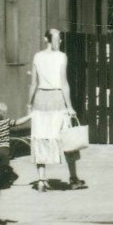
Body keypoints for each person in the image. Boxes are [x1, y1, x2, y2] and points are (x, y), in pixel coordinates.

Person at [27, 28, 85, 192]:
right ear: (48, 39)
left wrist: (29, 103)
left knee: (41, 137)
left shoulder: (37, 56)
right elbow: (63, 83)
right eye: (57, 38)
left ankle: (41, 179)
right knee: (67, 139)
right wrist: (70, 106)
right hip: (57, 99)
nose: (59, 41)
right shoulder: (61, 57)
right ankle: (73, 178)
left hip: (40, 100)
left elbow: (33, 84)